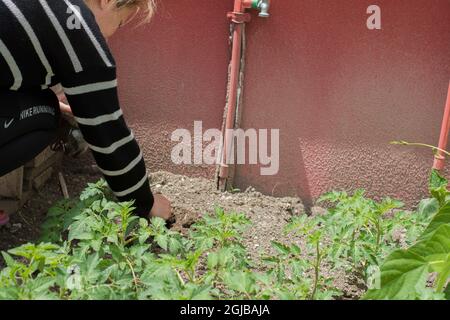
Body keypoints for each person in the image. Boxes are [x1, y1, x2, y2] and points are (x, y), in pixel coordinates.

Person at [0, 0, 171, 221]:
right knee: (46, 115)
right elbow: (109, 135)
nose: (108, 38)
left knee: (45, 106)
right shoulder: (77, 25)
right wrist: (146, 203)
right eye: (119, 23)